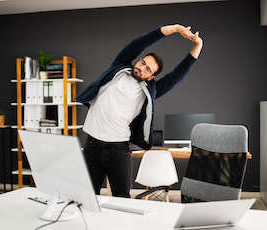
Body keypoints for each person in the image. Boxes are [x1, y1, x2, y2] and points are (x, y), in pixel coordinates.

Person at [75, 24, 203, 198]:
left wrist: (198, 45)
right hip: (91, 146)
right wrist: (174, 29)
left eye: (147, 69)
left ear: (151, 77)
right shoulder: (119, 68)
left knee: (123, 200)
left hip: (118, 151)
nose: (141, 68)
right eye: (142, 63)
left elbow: (177, 76)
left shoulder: (149, 92)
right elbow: (139, 43)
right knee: (88, 198)